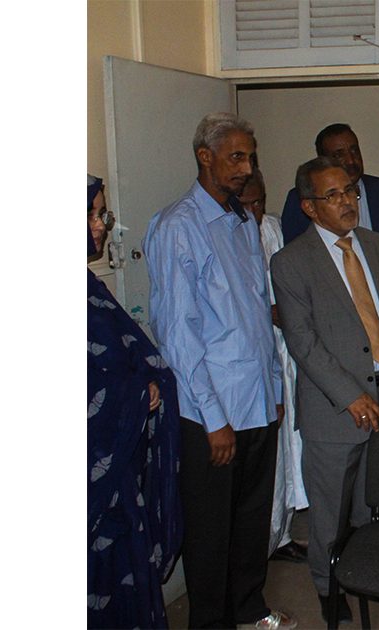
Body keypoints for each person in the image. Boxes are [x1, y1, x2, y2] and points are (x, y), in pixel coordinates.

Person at [143, 113, 297, 630]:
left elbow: (254, 315)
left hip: (256, 401)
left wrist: (274, 390)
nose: (246, 167)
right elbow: (178, 334)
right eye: (236, 156)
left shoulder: (241, 221)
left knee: (251, 522)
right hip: (212, 413)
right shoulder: (178, 226)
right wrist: (214, 420)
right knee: (211, 532)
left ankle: (250, 609)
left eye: (250, 157)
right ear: (204, 157)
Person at [269, 156, 379, 624]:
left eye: (350, 191)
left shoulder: (372, 244)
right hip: (335, 409)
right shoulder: (291, 263)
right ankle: (326, 587)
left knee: (376, 500)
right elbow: (303, 342)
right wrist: (350, 396)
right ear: (310, 207)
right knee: (330, 511)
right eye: (332, 196)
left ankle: (371, 573)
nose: (347, 201)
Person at [87, 175, 182, 629]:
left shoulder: (88, 286)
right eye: (91, 214)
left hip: (116, 473)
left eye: (101, 213)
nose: (101, 225)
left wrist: (146, 381)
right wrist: (135, 394)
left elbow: (124, 354)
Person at [238, 171, 310, 563]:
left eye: (260, 202)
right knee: (267, 456)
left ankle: (281, 534)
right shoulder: (227, 234)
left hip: (283, 353)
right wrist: (267, 312)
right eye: (246, 204)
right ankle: (261, 542)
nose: (254, 211)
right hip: (252, 359)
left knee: (287, 446)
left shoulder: (273, 228)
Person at [279, 123, 379, 245]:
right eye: (339, 155)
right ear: (323, 161)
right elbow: (295, 249)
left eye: (354, 151)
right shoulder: (301, 198)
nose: (351, 161)